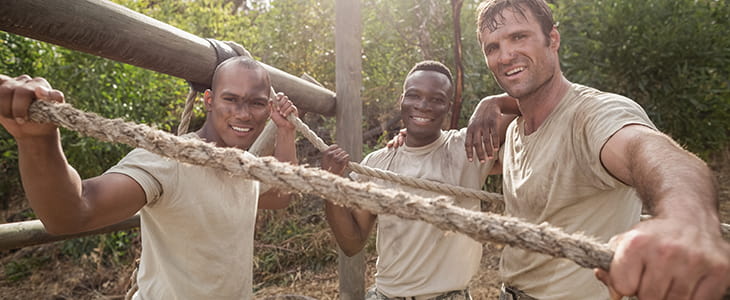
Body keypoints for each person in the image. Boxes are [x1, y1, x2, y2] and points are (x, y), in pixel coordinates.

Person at [464, 1, 730, 299]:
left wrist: (685, 221)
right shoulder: (513, 129)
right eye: (492, 48)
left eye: (518, 37)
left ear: (553, 39)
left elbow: (651, 152)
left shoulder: (593, 115)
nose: (506, 55)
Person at [0, 56, 299, 299]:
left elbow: (281, 196)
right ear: (208, 100)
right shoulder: (168, 161)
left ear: (268, 107)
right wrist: (37, 142)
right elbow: (74, 213)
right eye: (230, 99)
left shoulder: (245, 165)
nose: (244, 114)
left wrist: (285, 132)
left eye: (256, 103)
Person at [322, 60, 496, 300]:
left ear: (449, 106)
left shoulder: (465, 149)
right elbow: (352, 244)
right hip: (385, 295)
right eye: (414, 96)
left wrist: (490, 103)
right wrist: (330, 184)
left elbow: (531, 106)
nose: (423, 106)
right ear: (401, 100)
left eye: (436, 99)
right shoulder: (377, 164)